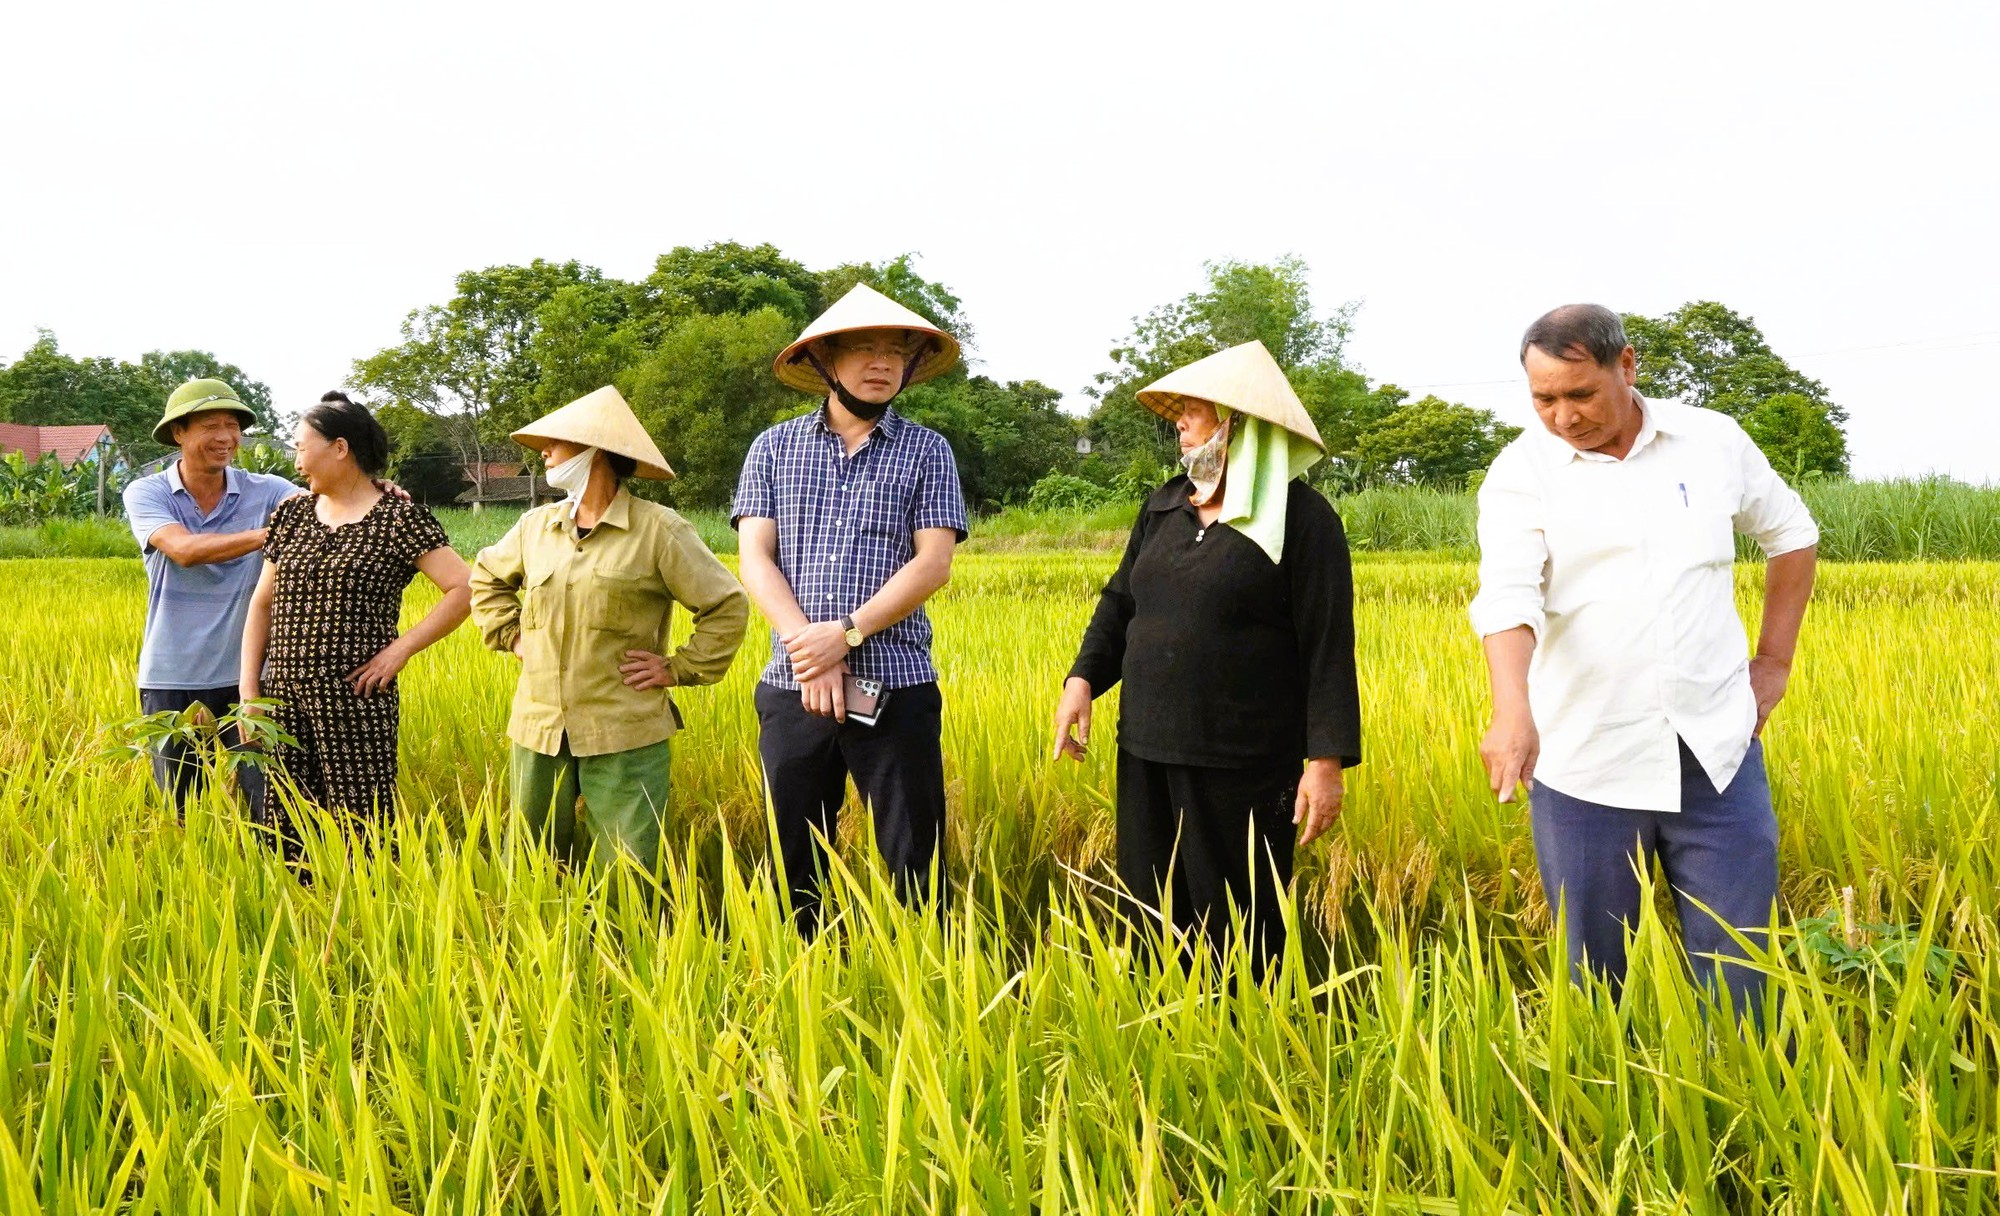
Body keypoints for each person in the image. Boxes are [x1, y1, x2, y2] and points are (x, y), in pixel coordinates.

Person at [1470, 304, 1819, 1017]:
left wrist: (1775, 661)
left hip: (1718, 750)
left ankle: (1750, 1107)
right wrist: (1513, 711)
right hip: (1587, 761)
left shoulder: (1711, 441)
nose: (1564, 416)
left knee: (1743, 974)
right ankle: (1609, 1121)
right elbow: (1508, 596)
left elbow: (1791, 533)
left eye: (1580, 394)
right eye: (1544, 399)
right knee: (1597, 987)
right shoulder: (1521, 472)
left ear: (1626, 367)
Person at [1051, 340, 1361, 973]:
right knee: (1151, 909)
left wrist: (1325, 762)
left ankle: (1247, 1040)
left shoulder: (1302, 521)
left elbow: (1329, 646)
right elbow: (1121, 603)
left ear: (1237, 423)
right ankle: (1160, 1033)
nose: (1180, 424)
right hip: (1146, 745)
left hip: (1242, 760)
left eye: (1192, 411)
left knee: (1237, 919)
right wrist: (1083, 678)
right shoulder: (1165, 505)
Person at [731, 283, 969, 935]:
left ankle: (928, 987)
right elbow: (756, 557)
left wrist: (849, 633)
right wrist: (810, 649)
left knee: (914, 857)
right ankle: (806, 989)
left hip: (895, 685)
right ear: (825, 361)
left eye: (895, 351)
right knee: (795, 860)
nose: (881, 362)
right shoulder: (773, 449)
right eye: (863, 347)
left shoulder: (929, 451)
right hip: (793, 685)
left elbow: (933, 564)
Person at [469, 385, 748, 873]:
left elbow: (726, 604)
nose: (546, 455)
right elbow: (486, 577)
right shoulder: (537, 527)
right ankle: (538, 950)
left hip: (625, 732)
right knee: (529, 866)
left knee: (627, 870)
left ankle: (621, 952)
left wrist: (679, 668)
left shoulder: (659, 530)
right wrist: (514, 636)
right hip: (539, 728)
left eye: (556, 444)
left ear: (594, 451)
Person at [239, 394, 469, 833]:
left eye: (302, 448)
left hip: (357, 699)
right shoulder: (292, 514)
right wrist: (251, 690)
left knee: (360, 826)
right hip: (283, 696)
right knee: (287, 821)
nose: (296, 460)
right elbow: (262, 603)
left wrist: (399, 651)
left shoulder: (400, 519)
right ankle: (302, 902)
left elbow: (464, 588)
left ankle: (363, 901)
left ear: (340, 448)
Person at [121, 379, 324, 812]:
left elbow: (333, 505)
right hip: (172, 678)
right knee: (183, 810)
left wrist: (380, 492)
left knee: (268, 806)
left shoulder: (268, 489)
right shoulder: (148, 492)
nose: (226, 438)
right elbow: (184, 550)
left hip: (253, 678)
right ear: (179, 432)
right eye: (210, 425)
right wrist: (273, 533)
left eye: (233, 425)